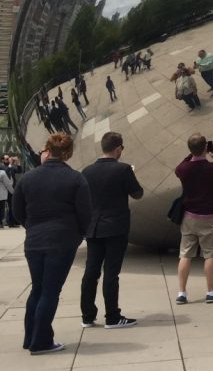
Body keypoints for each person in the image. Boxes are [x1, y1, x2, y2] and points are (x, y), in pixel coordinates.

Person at [12, 134, 91, 354]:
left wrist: (31, 227)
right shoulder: (75, 178)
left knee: (37, 289)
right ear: (68, 153)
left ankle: (31, 337)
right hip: (62, 240)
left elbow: (18, 210)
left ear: (47, 149)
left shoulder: (28, 178)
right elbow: (85, 213)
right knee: (50, 291)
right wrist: (79, 234)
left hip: (35, 240)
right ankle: (41, 341)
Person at [80, 132, 144, 330]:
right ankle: (112, 316)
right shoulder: (123, 169)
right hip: (115, 227)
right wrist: (130, 173)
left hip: (94, 226)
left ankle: (88, 315)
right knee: (111, 272)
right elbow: (137, 193)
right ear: (117, 148)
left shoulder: (87, 171)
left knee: (91, 272)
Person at [174, 134, 213, 305]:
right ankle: (210, 292)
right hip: (210, 216)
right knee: (210, 255)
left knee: (185, 254)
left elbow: (180, 166)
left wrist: (192, 154)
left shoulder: (184, 169)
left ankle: (182, 293)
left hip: (189, 216)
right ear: (206, 148)